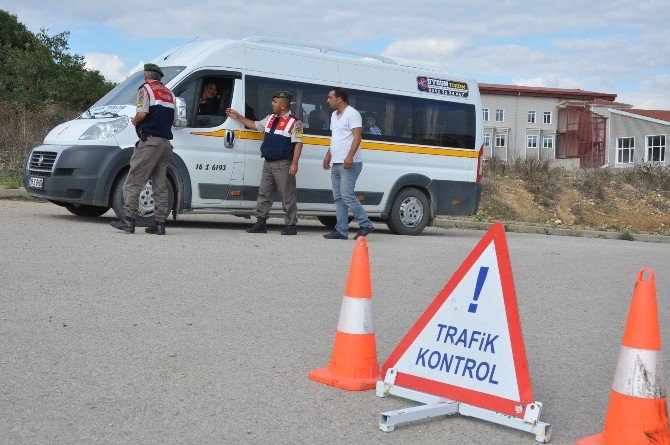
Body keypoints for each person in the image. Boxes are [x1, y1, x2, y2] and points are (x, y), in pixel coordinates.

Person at [225, 91, 304, 235]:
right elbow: (254, 125)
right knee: (264, 194)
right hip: (268, 163)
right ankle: (261, 223)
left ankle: (291, 225)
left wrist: (294, 164)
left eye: (275, 101)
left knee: (287, 195)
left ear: (283, 104)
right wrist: (238, 117)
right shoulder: (270, 118)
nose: (272, 104)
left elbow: (298, 144)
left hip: (283, 164)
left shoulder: (296, 122)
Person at [110, 63, 175, 236]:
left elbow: (142, 113)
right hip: (166, 145)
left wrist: (134, 121)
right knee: (160, 185)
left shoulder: (145, 89)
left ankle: (128, 221)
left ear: (146, 76)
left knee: (133, 181)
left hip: (150, 143)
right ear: (160, 78)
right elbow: (175, 121)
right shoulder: (170, 94)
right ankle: (159, 224)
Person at [322, 87, 374, 240]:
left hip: (350, 163)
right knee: (338, 197)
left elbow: (357, 137)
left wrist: (350, 156)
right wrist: (327, 156)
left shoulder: (352, 113)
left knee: (347, 195)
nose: (328, 100)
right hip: (336, 162)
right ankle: (342, 230)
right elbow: (336, 138)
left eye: (330, 97)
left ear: (339, 99)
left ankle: (365, 224)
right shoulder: (333, 115)